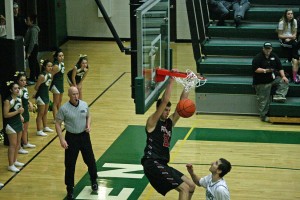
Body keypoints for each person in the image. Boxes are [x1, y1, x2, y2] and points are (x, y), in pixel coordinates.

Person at [141, 75, 196, 200]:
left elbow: (182, 104)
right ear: (159, 109)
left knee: (191, 186)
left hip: (162, 163)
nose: (167, 112)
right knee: (184, 188)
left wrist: (188, 84)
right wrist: (170, 80)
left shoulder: (169, 123)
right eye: (165, 110)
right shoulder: (152, 122)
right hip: (152, 162)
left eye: (168, 110)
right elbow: (165, 100)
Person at [55, 87, 98, 200]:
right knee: (70, 165)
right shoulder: (64, 109)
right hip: (71, 138)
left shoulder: (84, 104)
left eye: (77, 94)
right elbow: (58, 124)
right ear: (69, 95)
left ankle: (94, 180)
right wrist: (61, 139)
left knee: (91, 160)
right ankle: (70, 189)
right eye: (73, 94)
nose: (76, 96)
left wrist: (88, 125)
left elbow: (89, 116)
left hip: (84, 136)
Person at [252, 42, 289, 122]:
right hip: (261, 82)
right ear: (263, 49)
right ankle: (263, 116)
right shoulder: (258, 58)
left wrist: (283, 76)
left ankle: (279, 95)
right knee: (264, 100)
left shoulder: (274, 56)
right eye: (266, 48)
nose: (267, 50)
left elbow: (280, 67)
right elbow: (255, 69)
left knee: (284, 81)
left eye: (269, 48)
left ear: (271, 49)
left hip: (273, 79)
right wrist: (266, 70)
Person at [3, 81, 25, 172]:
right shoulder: (8, 101)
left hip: (18, 122)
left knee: (17, 143)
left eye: (18, 88)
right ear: (11, 90)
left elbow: (19, 110)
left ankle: (15, 160)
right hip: (10, 124)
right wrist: (18, 112)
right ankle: (10, 165)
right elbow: (5, 115)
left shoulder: (19, 98)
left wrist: (21, 115)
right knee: (12, 145)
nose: (17, 90)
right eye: (15, 88)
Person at [15, 71, 36, 154]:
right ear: (17, 81)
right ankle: (19, 147)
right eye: (21, 80)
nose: (23, 82)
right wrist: (20, 114)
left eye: (24, 80)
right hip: (21, 112)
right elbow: (18, 102)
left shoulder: (25, 88)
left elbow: (25, 99)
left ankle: (25, 143)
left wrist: (29, 103)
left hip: (26, 111)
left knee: (25, 129)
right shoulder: (18, 91)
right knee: (21, 130)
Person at [277, 9, 300, 83]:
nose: (290, 15)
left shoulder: (295, 21)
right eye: (288, 14)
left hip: (292, 40)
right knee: (295, 46)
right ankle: (293, 57)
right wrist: (288, 38)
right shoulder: (281, 23)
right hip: (284, 40)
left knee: (295, 59)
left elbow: (295, 34)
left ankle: (291, 59)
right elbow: (279, 35)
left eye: (291, 14)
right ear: (285, 15)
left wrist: (291, 37)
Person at [33, 59, 53, 136]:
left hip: (46, 95)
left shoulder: (50, 75)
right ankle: (39, 130)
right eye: (48, 66)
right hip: (40, 96)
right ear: (44, 67)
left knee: (45, 112)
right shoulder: (42, 76)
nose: (50, 67)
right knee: (40, 114)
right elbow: (36, 87)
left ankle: (45, 127)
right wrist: (35, 95)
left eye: (51, 66)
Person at [24, 14, 40, 84]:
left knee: (32, 63)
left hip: (33, 48)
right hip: (32, 47)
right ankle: (37, 76)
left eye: (27, 20)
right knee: (35, 62)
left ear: (32, 21)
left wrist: (29, 52)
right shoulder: (30, 28)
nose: (26, 21)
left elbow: (32, 42)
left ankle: (32, 79)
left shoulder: (33, 30)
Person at [50, 49, 65, 123]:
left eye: (62, 55)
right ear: (56, 57)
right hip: (56, 85)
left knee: (59, 102)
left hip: (60, 84)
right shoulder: (56, 66)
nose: (61, 57)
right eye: (59, 56)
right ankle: (55, 119)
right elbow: (51, 75)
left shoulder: (62, 63)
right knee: (55, 103)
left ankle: (60, 117)